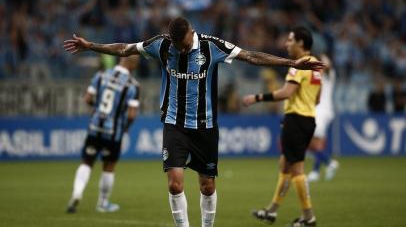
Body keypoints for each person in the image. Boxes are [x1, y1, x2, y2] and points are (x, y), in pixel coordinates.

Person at [64, 17, 324, 227]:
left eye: (184, 43)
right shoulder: (162, 45)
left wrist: (290, 63)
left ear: (192, 33)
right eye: (177, 45)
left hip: (205, 126)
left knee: (207, 186)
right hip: (174, 124)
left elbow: (251, 56)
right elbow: (124, 49)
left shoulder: (212, 46)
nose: (180, 49)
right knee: (175, 183)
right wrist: (91, 46)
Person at [242, 27, 321, 226]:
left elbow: (286, 93)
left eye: (290, 40)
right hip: (308, 118)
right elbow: (318, 98)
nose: (286, 44)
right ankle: (272, 211)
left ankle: (309, 217)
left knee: (297, 170)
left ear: (301, 43)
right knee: (284, 165)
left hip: (295, 119)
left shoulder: (299, 65)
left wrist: (257, 97)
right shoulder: (315, 66)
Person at [66, 55, 140, 213]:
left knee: (87, 162)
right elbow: (132, 114)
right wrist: (126, 127)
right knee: (108, 167)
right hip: (113, 131)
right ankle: (103, 203)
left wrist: (98, 108)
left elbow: (87, 99)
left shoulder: (101, 75)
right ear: (132, 64)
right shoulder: (132, 85)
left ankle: (77, 193)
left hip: (95, 127)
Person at [307, 54, 339, 182]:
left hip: (322, 112)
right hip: (319, 111)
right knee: (316, 143)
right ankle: (317, 170)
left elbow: (328, 67)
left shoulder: (329, 75)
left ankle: (329, 163)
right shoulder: (316, 75)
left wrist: (324, 61)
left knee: (311, 142)